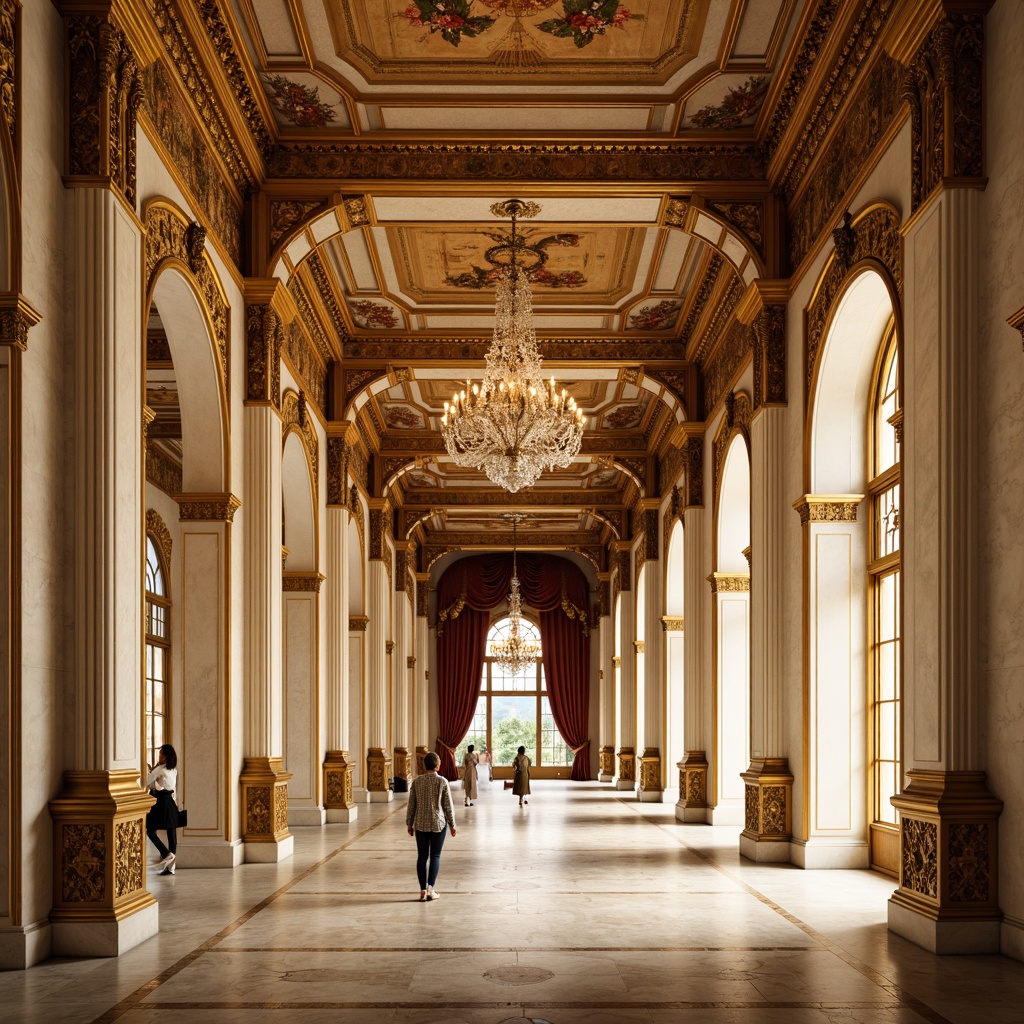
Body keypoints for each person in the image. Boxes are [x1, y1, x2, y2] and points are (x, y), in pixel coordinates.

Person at [406, 751, 456, 901]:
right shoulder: (442, 782)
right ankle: (430, 889)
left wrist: (410, 823)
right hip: (438, 823)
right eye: (439, 761)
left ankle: (422, 889)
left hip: (420, 823)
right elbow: (448, 806)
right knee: (435, 856)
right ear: (436, 765)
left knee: (422, 856)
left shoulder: (416, 782)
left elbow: (411, 805)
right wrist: (452, 824)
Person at [146, 743, 179, 875]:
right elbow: (173, 788)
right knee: (172, 833)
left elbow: (147, 782)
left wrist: (151, 770)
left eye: (161, 754)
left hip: (160, 800)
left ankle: (166, 854)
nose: (159, 755)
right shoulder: (173, 770)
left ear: (165, 756)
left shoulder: (159, 769)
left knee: (150, 829)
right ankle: (171, 867)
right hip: (170, 800)